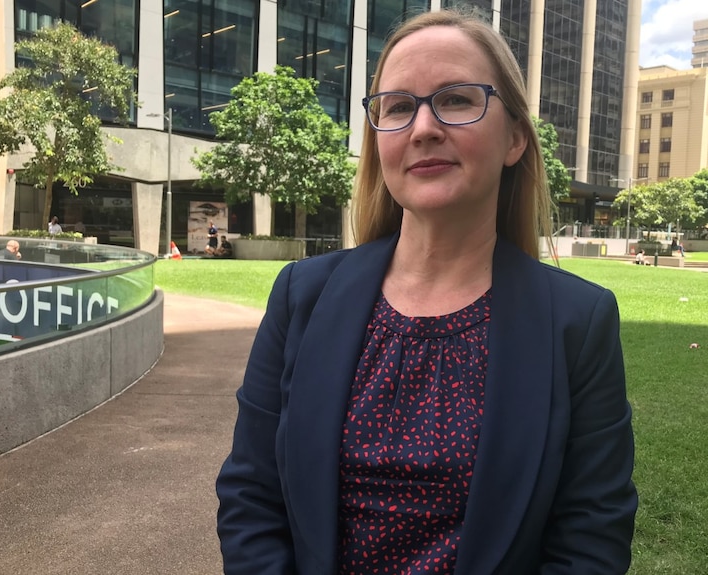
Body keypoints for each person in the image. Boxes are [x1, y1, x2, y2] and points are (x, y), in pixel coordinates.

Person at [216, 10, 636, 575]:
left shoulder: (578, 322)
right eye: (397, 106)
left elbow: (591, 539)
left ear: (514, 137)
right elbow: (251, 497)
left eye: (457, 99)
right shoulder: (303, 297)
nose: (423, 128)